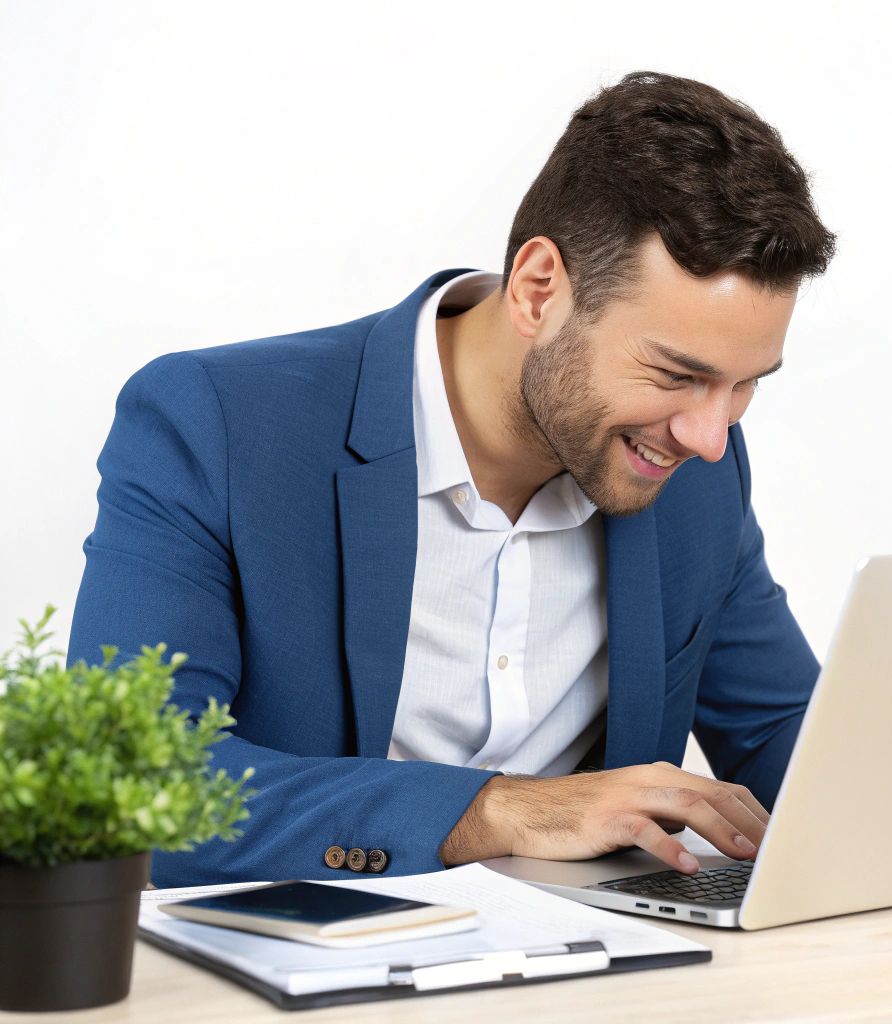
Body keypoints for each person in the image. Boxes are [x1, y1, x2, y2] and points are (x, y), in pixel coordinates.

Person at [68, 72, 837, 887]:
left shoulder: (693, 469)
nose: (711, 436)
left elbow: (788, 739)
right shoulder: (216, 425)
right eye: (676, 374)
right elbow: (127, 785)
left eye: (746, 383)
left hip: (606, 981)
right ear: (540, 290)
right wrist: (495, 809)